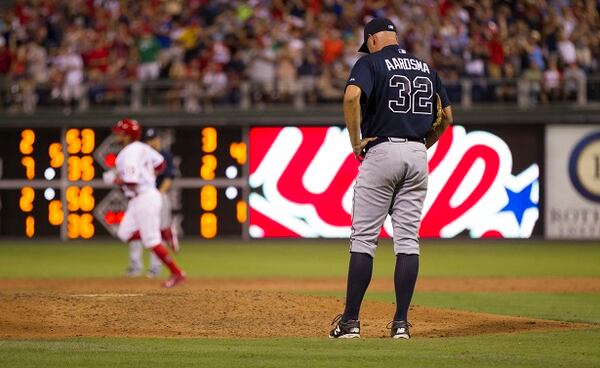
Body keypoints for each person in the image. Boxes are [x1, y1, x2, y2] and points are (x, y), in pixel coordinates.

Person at [329, 18, 453, 339]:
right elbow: (448, 117)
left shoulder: (370, 62)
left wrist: (355, 141)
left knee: (364, 239)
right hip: (417, 154)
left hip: (382, 150)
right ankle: (401, 324)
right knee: (408, 241)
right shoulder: (426, 67)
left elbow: (351, 97)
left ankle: (351, 322)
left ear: (372, 40)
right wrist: (424, 142)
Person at [103, 118, 185, 288]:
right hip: (139, 198)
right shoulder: (143, 147)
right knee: (124, 233)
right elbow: (161, 164)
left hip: (145, 197)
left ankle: (177, 273)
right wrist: (148, 174)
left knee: (150, 241)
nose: (117, 134)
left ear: (127, 135)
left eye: (120, 132)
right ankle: (164, 233)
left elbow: (132, 182)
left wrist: (115, 180)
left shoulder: (128, 154)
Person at [126, 128, 179, 278]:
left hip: (159, 196)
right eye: (148, 140)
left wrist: (158, 193)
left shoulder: (165, 156)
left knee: (156, 232)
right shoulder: (141, 156)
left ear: (158, 140)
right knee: (135, 230)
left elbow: (169, 178)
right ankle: (135, 266)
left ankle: (155, 267)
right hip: (142, 197)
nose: (151, 143)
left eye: (153, 139)